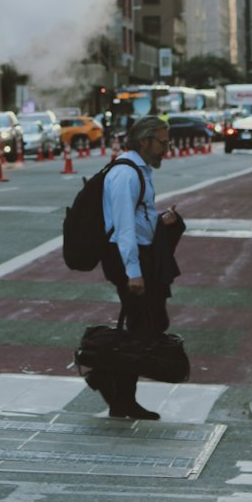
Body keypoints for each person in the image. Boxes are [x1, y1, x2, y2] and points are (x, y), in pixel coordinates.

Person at [97, 114, 183, 420]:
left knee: (146, 324)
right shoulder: (126, 174)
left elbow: (136, 218)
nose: (166, 149)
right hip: (127, 259)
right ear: (144, 141)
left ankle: (118, 392)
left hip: (141, 255)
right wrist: (133, 273)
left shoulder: (140, 170)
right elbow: (123, 228)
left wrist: (160, 220)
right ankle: (108, 381)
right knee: (142, 326)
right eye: (162, 142)